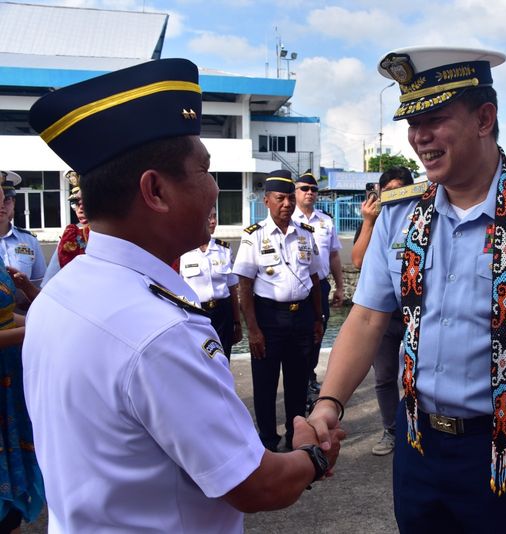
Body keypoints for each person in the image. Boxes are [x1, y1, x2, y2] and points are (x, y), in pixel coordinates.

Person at [308, 46, 506, 532]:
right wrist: (329, 403)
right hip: (417, 444)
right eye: (412, 123)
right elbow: (368, 317)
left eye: (434, 118)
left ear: (484, 118)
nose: (419, 137)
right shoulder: (399, 214)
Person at [23, 58, 343, 532]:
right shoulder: (160, 333)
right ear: (155, 190)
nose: (215, 189)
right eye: (205, 171)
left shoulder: (61, 292)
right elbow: (257, 484)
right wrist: (313, 455)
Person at [234, 169, 324, 452]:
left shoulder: (305, 235)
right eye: (280, 198)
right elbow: (244, 287)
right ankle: (268, 443)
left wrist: (319, 320)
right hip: (269, 318)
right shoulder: (253, 237)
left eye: (289, 198)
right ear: (267, 201)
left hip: (302, 317)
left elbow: (314, 279)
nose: (286, 204)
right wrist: (253, 330)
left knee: (298, 381)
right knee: (265, 383)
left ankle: (296, 437)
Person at [351, 166, 415, 456]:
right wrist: (368, 221)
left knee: (418, 378)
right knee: (385, 376)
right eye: (388, 191)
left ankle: (416, 429)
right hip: (383, 317)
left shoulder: (424, 220)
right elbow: (358, 261)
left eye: (400, 190)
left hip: (416, 314)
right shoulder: (375, 222)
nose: (394, 197)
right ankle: (391, 429)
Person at [0, 186, 46, 534]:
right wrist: (40, 328)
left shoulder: (22, 246)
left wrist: (38, 317)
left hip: (10, 377)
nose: (2, 204)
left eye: (5, 197)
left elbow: (6, 317)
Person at [292, 170, 344, 394]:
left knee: (317, 333)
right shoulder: (288, 219)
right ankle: (297, 378)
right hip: (297, 288)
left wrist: (340, 286)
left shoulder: (326, 221)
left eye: (314, 190)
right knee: (295, 337)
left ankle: (309, 374)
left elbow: (333, 255)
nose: (310, 193)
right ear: (295, 192)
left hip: (320, 286)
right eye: (304, 188)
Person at [179, 206, 242, 358]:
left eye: (215, 216)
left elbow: (232, 289)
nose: (213, 221)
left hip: (223, 314)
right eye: (208, 217)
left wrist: (237, 322)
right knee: (198, 361)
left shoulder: (224, 249)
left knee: (223, 359)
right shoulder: (182, 251)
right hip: (195, 314)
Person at [0, 171, 46, 312]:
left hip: (24, 317)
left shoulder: (29, 240)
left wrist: (26, 287)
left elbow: (42, 288)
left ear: (13, 202)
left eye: (6, 199)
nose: (1, 205)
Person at [42, 171, 89, 285]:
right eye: (75, 203)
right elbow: (50, 284)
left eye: (85, 201)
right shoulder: (70, 235)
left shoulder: (116, 232)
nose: (80, 209)